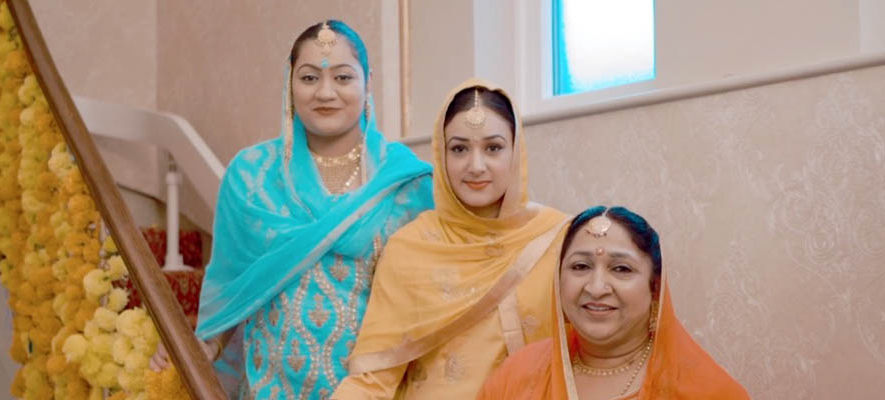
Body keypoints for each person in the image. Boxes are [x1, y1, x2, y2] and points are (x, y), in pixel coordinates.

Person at [150, 20, 433, 399]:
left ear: (368, 83)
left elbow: (430, 301)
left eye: (343, 77)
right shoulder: (252, 177)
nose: (326, 93)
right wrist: (205, 344)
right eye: (310, 77)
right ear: (290, 83)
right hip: (271, 388)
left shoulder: (407, 183)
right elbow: (232, 286)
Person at [332, 79, 569, 399]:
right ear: (441, 155)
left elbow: (591, 354)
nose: (476, 166)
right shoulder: (410, 248)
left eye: (493, 148)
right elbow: (373, 378)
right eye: (459, 149)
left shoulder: (558, 239)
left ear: (516, 152)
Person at [476, 206, 750, 399]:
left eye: (621, 269)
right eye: (580, 266)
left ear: (655, 287)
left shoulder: (704, 390)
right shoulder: (518, 375)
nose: (596, 288)